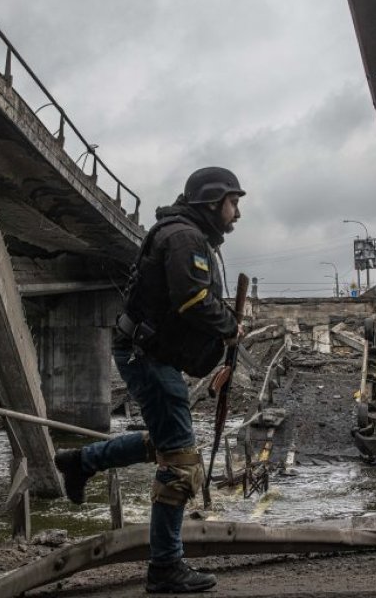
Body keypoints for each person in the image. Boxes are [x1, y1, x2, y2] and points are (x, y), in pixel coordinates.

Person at [55, 166, 245, 594]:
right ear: (213, 202)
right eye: (233, 203)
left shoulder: (187, 235)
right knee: (179, 460)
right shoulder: (184, 238)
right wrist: (229, 327)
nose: (237, 213)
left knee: (163, 443)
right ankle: (165, 567)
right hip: (147, 356)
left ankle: (79, 462)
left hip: (150, 353)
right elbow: (193, 300)